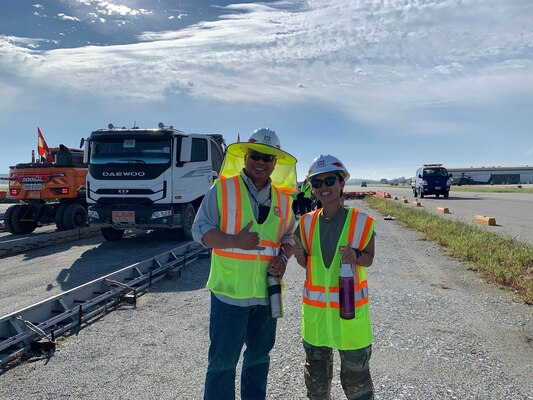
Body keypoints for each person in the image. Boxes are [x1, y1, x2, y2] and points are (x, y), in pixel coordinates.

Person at [192, 128, 298, 400]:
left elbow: (289, 237)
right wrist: (234, 240)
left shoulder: (284, 201)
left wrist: (284, 259)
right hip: (229, 295)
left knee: (259, 358)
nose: (260, 162)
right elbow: (200, 231)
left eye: (267, 158)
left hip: (266, 295)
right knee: (222, 364)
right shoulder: (223, 189)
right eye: (255, 156)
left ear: (275, 163)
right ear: (245, 157)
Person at [293, 154, 376, 400]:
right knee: (317, 386)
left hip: (351, 319)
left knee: (357, 385)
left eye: (329, 181)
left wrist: (355, 256)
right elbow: (305, 263)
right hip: (317, 319)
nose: (323, 188)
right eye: (316, 184)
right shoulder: (305, 223)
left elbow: (369, 258)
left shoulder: (361, 222)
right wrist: (298, 255)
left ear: (341, 184)